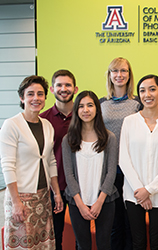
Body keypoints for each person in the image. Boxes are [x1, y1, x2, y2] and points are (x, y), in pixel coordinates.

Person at [0, 75, 63, 250]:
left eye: (40, 94)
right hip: (21, 197)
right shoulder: (11, 125)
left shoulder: (47, 125)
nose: (36, 98)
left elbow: (51, 161)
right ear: (22, 98)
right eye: (30, 94)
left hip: (43, 196)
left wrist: (56, 192)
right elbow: (7, 165)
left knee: (42, 244)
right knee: (23, 245)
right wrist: (16, 202)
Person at [119, 74, 158, 250]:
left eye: (152, 89)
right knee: (137, 241)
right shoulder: (129, 122)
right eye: (142, 90)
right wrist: (141, 191)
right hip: (133, 192)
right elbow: (123, 159)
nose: (148, 94)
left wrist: (150, 190)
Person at [62, 90, 119, 250]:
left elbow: (111, 172)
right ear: (76, 110)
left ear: (97, 109)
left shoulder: (109, 138)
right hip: (77, 201)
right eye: (81, 106)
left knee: (104, 244)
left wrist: (99, 202)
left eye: (90, 105)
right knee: (83, 245)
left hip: (104, 200)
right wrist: (80, 204)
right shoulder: (68, 139)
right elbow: (69, 174)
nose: (85, 110)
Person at [100, 57, 140, 250]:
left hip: (132, 170)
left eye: (123, 71)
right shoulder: (101, 104)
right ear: (109, 75)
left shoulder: (137, 104)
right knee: (114, 223)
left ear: (129, 75)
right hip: (109, 170)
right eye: (115, 71)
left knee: (131, 223)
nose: (119, 75)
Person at [40, 69, 78, 250]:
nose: (64, 88)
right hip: (53, 188)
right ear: (52, 90)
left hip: (80, 186)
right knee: (55, 235)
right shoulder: (43, 120)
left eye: (68, 85)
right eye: (59, 85)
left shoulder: (85, 116)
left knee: (82, 236)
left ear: (75, 89)